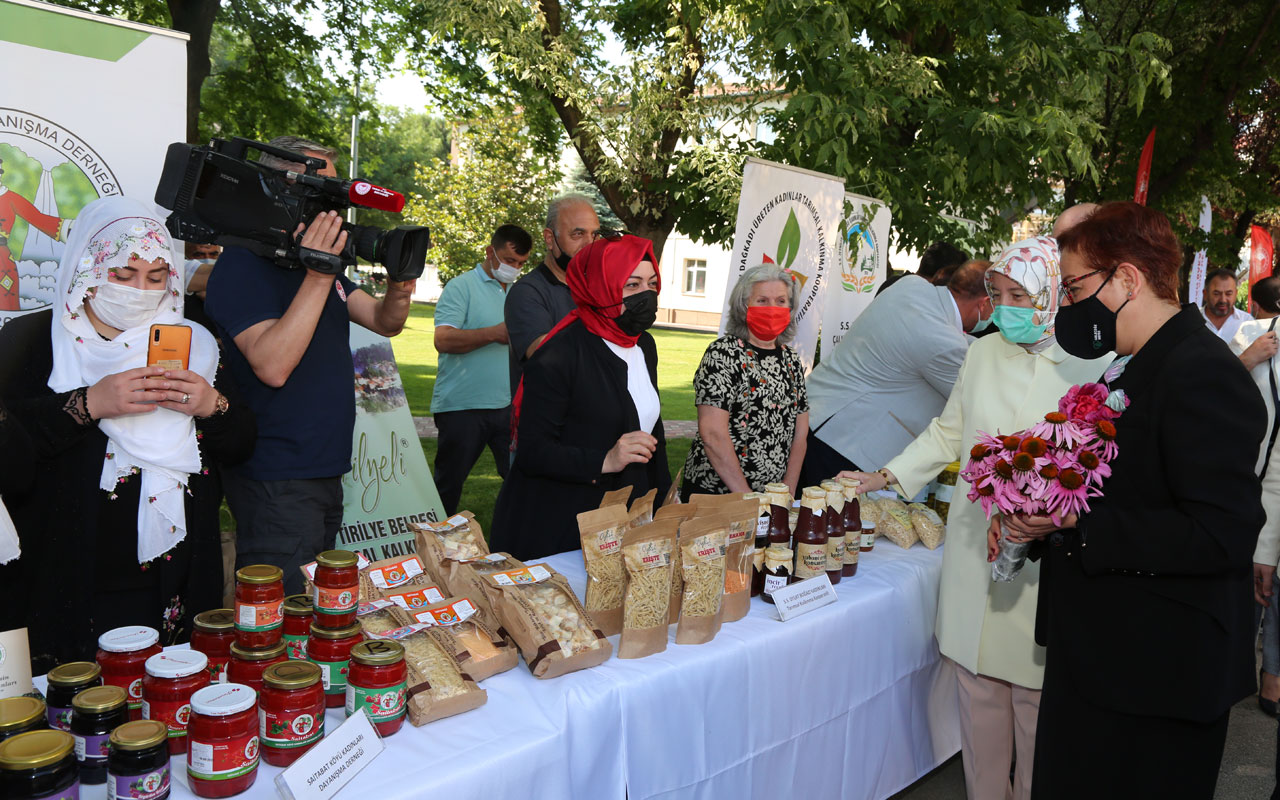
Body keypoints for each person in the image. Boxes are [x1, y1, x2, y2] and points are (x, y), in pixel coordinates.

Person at [1002, 202, 1265, 798]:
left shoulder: (1203, 373)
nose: (1066, 308)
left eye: (1073, 289)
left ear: (1126, 279)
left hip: (1157, 674)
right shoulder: (1130, 367)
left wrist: (1078, 521)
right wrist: (1042, 514)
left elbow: (1221, 533)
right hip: (1104, 658)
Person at [841, 236, 1104, 800]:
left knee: (1036, 708)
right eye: (998, 294)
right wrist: (882, 476)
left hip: (1041, 559)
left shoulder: (1095, 363)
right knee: (977, 696)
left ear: (1056, 295)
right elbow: (949, 431)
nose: (1004, 307)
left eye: (1020, 296)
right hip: (973, 549)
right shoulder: (982, 351)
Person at [0, 196, 256, 672]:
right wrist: (88, 404)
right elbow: (11, 456)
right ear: (86, 268)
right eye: (122, 274)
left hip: (172, 576)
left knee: (169, 701)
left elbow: (240, 444)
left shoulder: (196, 342)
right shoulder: (31, 343)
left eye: (156, 277)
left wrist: (211, 406)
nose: (141, 290)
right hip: (65, 572)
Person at [204, 135, 415, 595]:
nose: (333, 209)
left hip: (323, 467)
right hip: (276, 473)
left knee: (319, 608)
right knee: (282, 615)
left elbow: (384, 322)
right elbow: (272, 366)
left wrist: (400, 282)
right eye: (321, 194)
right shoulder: (242, 265)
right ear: (276, 190)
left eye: (337, 195)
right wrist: (319, 274)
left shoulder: (319, 267)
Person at [489, 234, 670, 560]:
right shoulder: (559, 355)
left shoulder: (644, 346)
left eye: (652, 283)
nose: (647, 295)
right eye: (632, 285)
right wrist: (605, 459)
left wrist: (663, 507)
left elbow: (651, 437)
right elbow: (533, 452)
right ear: (602, 287)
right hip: (558, 527)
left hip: (619, 525)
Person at [800, 261, 993, 485]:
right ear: (984, 304)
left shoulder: (911, 286)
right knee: (817, 516)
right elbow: (976, 401)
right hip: (843, 441)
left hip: (816, 415)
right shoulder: (942, 343)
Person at [680, 264, 809, 499]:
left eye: (781, 301)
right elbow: (712, 434)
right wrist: (747, 498)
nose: (772, 308)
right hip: (718, 494)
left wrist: (787, 492)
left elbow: (800, 434)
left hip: (772, 499)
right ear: (744, 305)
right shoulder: (722, 354)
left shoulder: (790, 359)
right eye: (762, 300)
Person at [431, 224, 532, 514]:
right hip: (462, 406)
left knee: (520, 480)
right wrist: (494, 334)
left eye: (521, 264)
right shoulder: (461, 286)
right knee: (448, 486)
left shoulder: (520, 292)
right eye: (509, 260)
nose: (514, 268)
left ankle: (515, 543)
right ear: (490, 252)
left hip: (509, 407)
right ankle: (435, 546)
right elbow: (443, 339)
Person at [1228, 275, 1280, 717]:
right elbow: (1212, 387)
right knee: (1247, 590)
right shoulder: (1250, 333)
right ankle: (1238, 672)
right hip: (1244, 482)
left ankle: (1272, 680)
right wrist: (1249, 357)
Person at [504, 194, 600, 395]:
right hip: (548, 422)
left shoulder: (597, 289)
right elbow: (546, 353)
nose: (589, 245)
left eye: (594, 235)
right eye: (578, 234)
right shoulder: (528, 292)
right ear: (550, 238)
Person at [1203, 267, 1253, 341]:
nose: (1223, 300)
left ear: (1236, 294)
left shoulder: (1247, 322)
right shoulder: (1192, 321)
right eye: (1216, 294)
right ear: (1205, 294)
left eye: (1228, 294)